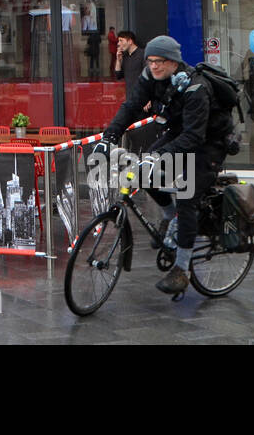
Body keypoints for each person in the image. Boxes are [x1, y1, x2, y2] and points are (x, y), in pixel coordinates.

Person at [96, 35, 234, 295]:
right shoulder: (150, 77)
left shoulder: (196, 87)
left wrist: (161, 154)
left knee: (186, 194)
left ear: (173, 62)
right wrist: (109, 137)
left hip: (210, 142)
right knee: (144, 172)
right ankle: (170, 218)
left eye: (160, 61)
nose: (154, 66)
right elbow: (131, 106)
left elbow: (195, 137)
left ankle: (182, 269)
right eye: (150, 61)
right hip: (179, 132)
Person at [113, 30, 144, 99]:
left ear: (130, 41)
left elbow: (149, 77)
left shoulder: (143, 54)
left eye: (121, 40)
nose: (118, 43)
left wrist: (148, 98)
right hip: (130, 97)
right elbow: (118, 75)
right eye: (118, 41)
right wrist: (118, 60)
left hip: (143, 98)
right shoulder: (124, 56)